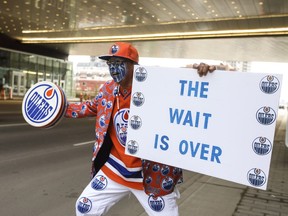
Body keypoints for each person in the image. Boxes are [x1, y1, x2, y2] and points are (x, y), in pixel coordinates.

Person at [65, 42, 216, 216]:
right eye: (110, 64)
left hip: (151, 174)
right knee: (85, 208)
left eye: (119, 63)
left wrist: (200, 76)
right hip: (115, 169)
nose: (113, 69)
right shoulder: (108, 89)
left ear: (133, 66)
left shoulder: (156, 88)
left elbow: (187, 100)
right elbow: (89, 107)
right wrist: (60, 109)